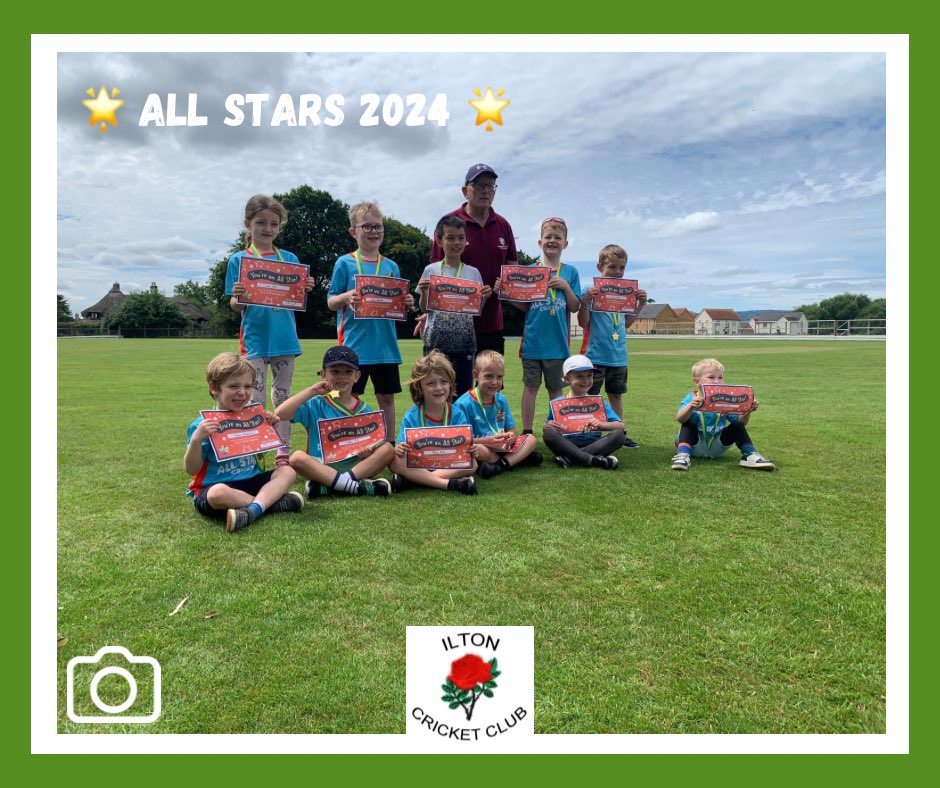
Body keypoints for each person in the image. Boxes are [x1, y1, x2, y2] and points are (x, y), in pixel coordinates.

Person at [225, 194, 315, 468]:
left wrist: (305, 288)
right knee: (253, 398)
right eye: (261, 222)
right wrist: (239, 296)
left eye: (273, 224)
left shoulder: (289, 258)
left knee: (283, 397)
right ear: (247, 224)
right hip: (253, 342)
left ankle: (282, 453)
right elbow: (234, 304)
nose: (267, 229)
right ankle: (254, 447)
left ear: (279, 227)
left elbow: (295, 299)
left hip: (284, 341)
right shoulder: (238, 260)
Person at [185, 352, 304, 533]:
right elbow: (192, 470)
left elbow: (259, 457)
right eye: (233, 386)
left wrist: (266, 430)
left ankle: (253, 510)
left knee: (287, 471)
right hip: (217, 486)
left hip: (251, 480)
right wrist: (196, 441)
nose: (242, 392)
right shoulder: (203, 426)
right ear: (214, 388)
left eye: (248, 386)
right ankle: (269, 503)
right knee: (218, 494)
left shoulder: (255, 417)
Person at [327, 201, 414, 436]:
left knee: (386, 398)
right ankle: (349, 444)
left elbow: (397, 306)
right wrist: (346, 296)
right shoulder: (344, 263)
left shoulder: (391, 266)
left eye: (378, 226)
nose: (374, 231)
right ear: (353, 231)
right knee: (348, 397)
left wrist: (406, 303)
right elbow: (331, 301)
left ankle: (388, 445)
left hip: (385, 347)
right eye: (367, 226)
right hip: (353, 348)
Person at [275, 345, 396, 497]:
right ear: (324, 374)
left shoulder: (365, 410)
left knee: (388, 449)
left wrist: (366, 453)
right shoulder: (315, 404)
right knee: (297, 458)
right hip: (321, 465)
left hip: (355, 465)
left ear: (357, 376)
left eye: (348, 372)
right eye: (335, 371)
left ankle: (334, 485)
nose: (342, 377)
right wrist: (312, 390)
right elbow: (280, 413)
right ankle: (354, 487)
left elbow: (368, 446)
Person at [430, 163, 517, 355]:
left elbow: (513, 272)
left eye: (490, 186)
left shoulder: (504, 225)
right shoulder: (449, 223)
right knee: (449, 384)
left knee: (491, 383)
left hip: (492, 323)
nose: (485, 191)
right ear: (465, 191)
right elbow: (435, 274)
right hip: (451, 326)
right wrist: (427, 313)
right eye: (479, 185)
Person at [509, 217, 581, 434]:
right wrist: (506, 293)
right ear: (539, 242)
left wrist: (566, 288)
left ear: (565, 243)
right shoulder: (530, 270)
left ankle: (559, 431)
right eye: (548, 237)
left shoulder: (570, 272)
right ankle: (527, 431)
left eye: (557, 237)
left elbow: (575, 306)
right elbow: (524, 307)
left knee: (556, 391)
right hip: (532, 343)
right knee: (530, 388)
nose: (552, 241)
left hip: (557, 345)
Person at [577, 243, 648, 448]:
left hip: (618, 356)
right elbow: (583, 323)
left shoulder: (626, 294)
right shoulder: (589, 290)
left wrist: (640, 304)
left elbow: (626, 323)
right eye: (612, 267)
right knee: (590, 396)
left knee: (615, 394)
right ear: (600, 267)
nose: (617, 272)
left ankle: (620, 433)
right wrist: (585, 301)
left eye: (621, 267)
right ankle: (586, 431)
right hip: (595, 355)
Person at [417, 215, 493, 398]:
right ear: (439, 240)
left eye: (461, 237)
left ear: (467, 241)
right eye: (450, 237)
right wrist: (425, 292)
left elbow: (477, 311)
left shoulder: (473, 273)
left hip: (464, 343)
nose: (456, 242)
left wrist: (484, 298)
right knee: (435, 392)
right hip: (435, 342)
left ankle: (461, 427)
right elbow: (424, 309)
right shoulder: (431, 270)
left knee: (462, 394)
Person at [390, 351, 478, 495]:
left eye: (443, 381)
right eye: (431, 383)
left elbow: (464, 447)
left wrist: (472, 450)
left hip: (446, 465)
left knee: (473, 463)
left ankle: (413, 481)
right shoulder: (411, 416)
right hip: (418, 464)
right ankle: (449, 484)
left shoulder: (457, 414)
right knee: (394, 461)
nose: (438, 388)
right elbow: (401, 448)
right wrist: (399, 448)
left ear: (450, 384)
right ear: (419, 387)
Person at [671, 358, 775, 471]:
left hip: (717, 446)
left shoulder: (725, 399)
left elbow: (741, 423)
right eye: (711, 377)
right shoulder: (691, 398)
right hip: (693, 445)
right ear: (697, 382)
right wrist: (690, 407)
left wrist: (747, 411)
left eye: (720, 377)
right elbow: (680, 419)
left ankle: (750, 455)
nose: (716, 381)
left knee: (736, 425)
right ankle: (682, 456)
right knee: (688, 422)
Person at [455, 350, 543, 480]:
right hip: (484, 446)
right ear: (475, 375)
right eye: (488, 376)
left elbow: (510, 428)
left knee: (530, 438)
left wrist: (511, 436)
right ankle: (516, 460)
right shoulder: (463, 404)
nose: (495, 382)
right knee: (477, 449)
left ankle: (500, 465)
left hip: (503, 446)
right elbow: (461, 440)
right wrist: (488, 441)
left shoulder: (501, 400)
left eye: (499, 377)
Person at [543, 354, 624, 470]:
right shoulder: (558, 403)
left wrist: (602, 425)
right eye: (579, 376)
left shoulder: (599, 402)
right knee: (549, 434)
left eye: (589, 376)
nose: (585, 381)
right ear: (566, 379)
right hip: (567, 443)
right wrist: (547, 426)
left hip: (594, 443)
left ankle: (572, 457)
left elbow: (620, 426)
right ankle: (592, 459)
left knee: (619, 436)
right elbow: (547, 426)